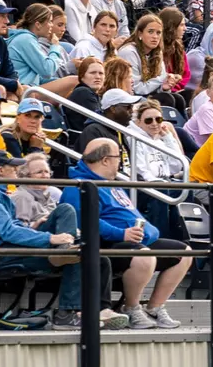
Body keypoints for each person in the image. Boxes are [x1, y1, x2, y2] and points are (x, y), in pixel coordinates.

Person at [0, 148, 128, 330]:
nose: (17, 171)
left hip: (14, 247)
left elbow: (13, 228)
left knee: (97, 257)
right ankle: (66, 314)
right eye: (13, 167)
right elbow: (8, 232)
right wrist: (50, 237)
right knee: (77, 255)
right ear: (1, 170)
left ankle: (101, 309)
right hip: (2, 254)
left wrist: (34, 228)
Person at [63, 139, 192, 329]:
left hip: (132, 240)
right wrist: (121, 234)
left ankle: (154, 308)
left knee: (184, 253)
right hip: (105, 246)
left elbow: (131, 215)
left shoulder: (111, 184)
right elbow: (85, 221)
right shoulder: (79, 186)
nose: (121, 163)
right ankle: (131, 308)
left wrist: (148, 232)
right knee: (144, 256)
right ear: (105, 160)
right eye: (118, 158)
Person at [6, 5, 78, 95]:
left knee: (71, 88)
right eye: (50, 22)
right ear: (38, 25)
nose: (51, 25)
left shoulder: (28, 38)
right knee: (74, 81)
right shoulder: (25, 39)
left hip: (31, 87)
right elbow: (47, 70)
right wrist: (55, 47)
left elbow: (40, 76)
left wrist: (58, 82)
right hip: (23, 91)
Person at [117, 14, 180, 100]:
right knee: (168, 100)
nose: (155, 36)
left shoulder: (157, 52)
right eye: (150, 32)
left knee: (176, 98)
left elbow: (158, 84)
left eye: (158, 33)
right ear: (140, 34)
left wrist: (164, 87)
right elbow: (137, 88)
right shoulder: (129, 52)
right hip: (128, 97)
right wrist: (163, 79)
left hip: (146, 95)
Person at [66, 57, 104, 134]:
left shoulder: (93, 94)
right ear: (82, 76)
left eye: (101, 73)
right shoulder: (83, 92)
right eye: (93, 73)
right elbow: (100, 121)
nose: (98, 77)